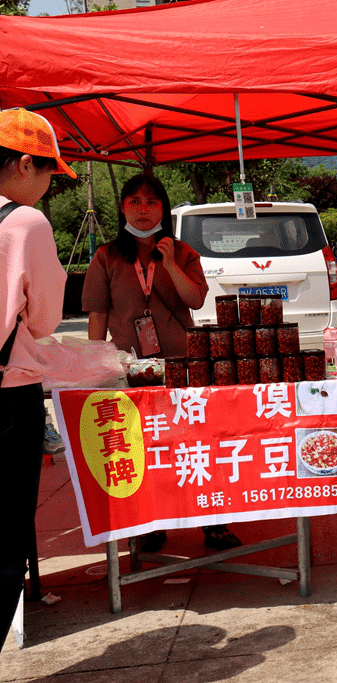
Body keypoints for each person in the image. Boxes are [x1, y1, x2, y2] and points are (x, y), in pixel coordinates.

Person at [81, 174, 240, 553]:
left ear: (163, 210)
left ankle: (212, 522)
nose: (142, 209)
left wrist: (168, 263)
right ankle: (151, 522)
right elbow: (97, 317)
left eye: (151, 202)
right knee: (143, 447)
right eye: (134, 201)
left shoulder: (183, 252)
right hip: (130, 370)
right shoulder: (106, 256)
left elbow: (197, 300)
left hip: (184, 366)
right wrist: (95, 368)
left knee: (196, 444)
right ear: (122, 207)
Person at [0, 108, 73, 653]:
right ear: (25, 164)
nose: (49, 188)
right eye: (49, 175)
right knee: (4, 546)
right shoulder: (24, 223)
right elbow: (45, 320)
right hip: (6, 399)